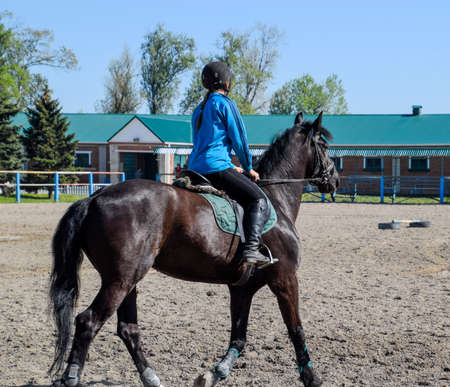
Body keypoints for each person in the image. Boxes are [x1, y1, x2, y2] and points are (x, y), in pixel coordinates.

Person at [188, 61, 275, 267]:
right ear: (226, 83)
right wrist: (248, 167)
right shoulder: (225, 104)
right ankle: (252, 250)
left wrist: (230, 165)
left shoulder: (198, 109)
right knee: (259, 200)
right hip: (215, 168)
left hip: (195, 168)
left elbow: (204, 143)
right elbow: (239, 140)